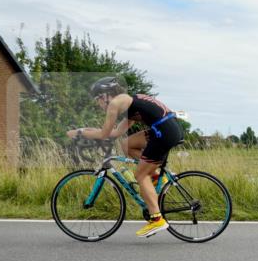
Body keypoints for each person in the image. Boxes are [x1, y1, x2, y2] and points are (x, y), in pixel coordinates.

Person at [67, 76, 184, 237]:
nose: (98, 104)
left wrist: (79, 133)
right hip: (167, 128)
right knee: (126, 144)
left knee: (140, 175)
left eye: (97, 99)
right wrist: (89, 130)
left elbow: (104, 134)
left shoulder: (115, 104)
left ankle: (157, 219)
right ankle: (156, 176)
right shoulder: (128, 102)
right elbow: (115, 133)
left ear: (105, 95)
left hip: (164, 132)